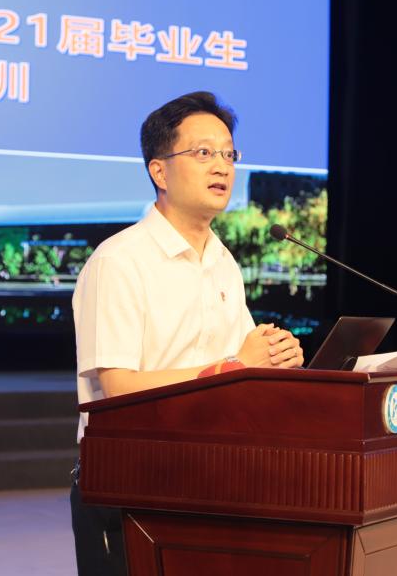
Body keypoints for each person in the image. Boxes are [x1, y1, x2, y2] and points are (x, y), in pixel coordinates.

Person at [69, 91, 304, 575]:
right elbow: (119, 389)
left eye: (228, 154)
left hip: (214, 477)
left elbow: (243, 368)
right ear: (159, 171)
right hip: (131, 481)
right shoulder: (119, 261)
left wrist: (276, 358)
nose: (221, 166)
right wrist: (236, 366)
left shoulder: (223, 261)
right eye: (203, 153)